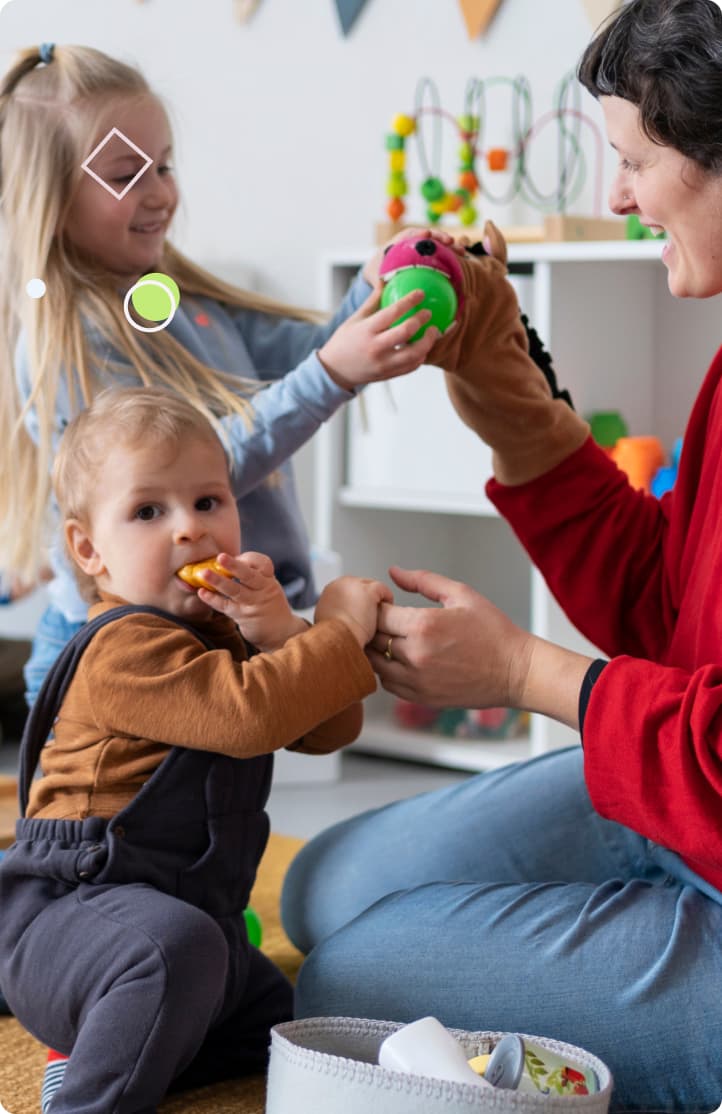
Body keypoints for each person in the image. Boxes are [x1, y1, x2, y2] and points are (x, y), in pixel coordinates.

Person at [280, 2, 722, 1110]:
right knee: (325, 888)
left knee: (346, 980)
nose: (614, 197)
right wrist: (499, 381)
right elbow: (661, 604)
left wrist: (518, 672)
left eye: (631, 162)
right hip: (687, 807)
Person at [0, 42, 447, 704]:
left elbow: (311, 351)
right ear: (52, 200)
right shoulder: (71, 345)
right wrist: (330, 374)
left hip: (203, 620)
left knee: (207, 801)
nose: (159, 193)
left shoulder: (177, 303)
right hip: (110, 645)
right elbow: (190, 468)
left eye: (163, 166)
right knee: (107, 808)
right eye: (126, 176)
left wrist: (379, 281)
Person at [0, 385, 390, 1114]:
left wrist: (282, 633)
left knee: (281, 1027)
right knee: (174, 953)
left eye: (209, 502)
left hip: (188, 922)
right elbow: (248, 715)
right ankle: (79, 1090)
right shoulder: (122, 648)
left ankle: (108, 1037)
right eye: (149, 512)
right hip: (72, 916)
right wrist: (335, 635)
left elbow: (330, 728)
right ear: (90, 550)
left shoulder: (222, 636)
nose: (190, 530)